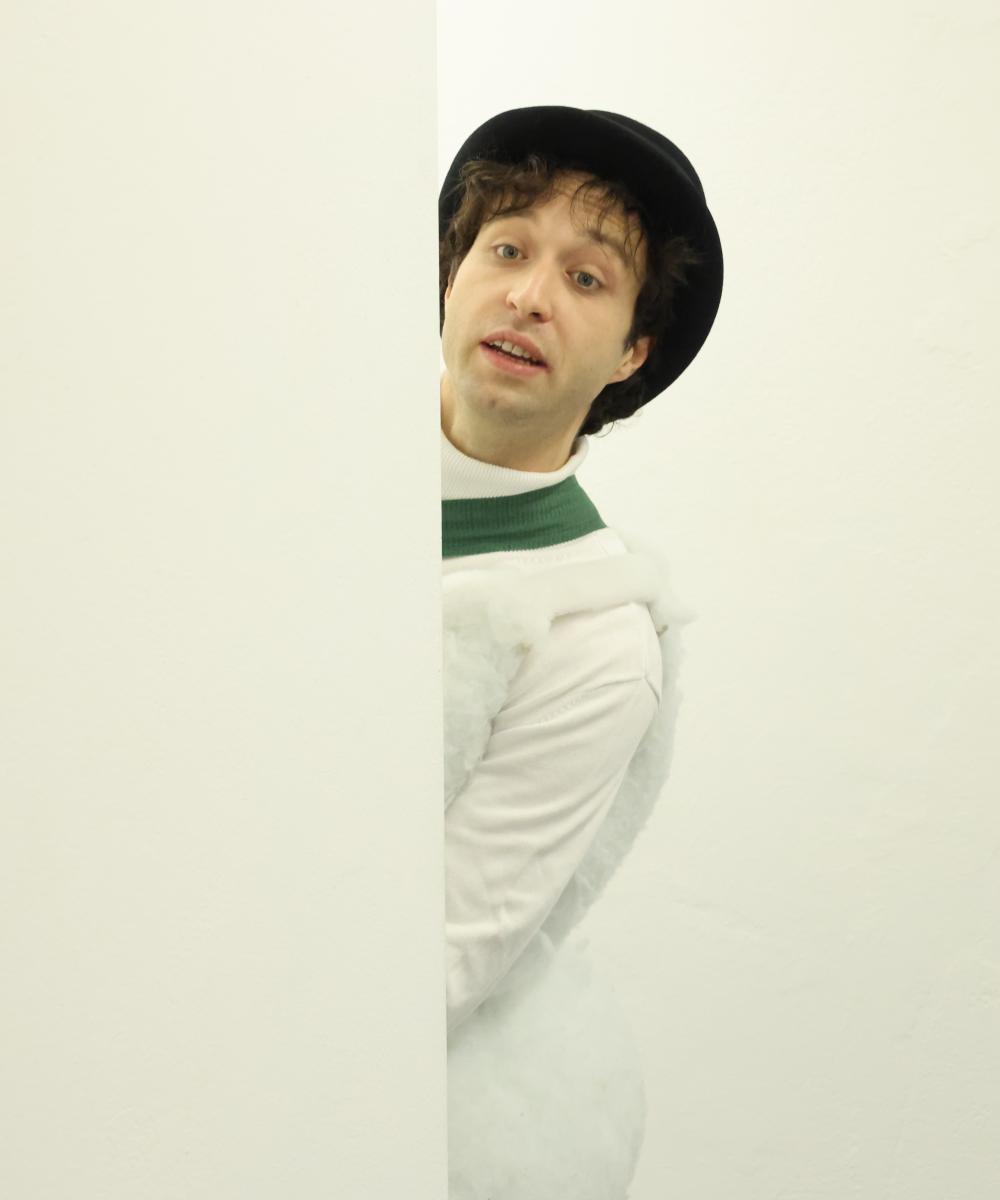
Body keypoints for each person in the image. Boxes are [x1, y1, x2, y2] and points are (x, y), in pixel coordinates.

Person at [439, 106, 723, 1200]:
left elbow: (431, 969)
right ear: (453, 275)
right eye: (506, 248)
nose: (529, 296)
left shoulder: (598, 636)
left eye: (587, 278)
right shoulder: (292, 476)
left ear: (631, 354)